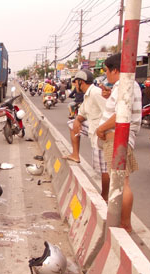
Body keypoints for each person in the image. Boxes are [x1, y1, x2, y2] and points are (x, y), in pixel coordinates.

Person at [95, 53, 141, 233]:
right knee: (120, 180)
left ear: (115, 70)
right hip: (118, 136)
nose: (106, 74)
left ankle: (125, 223)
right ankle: (123, 221)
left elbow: (121, 114)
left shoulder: (125, 85)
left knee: (122, 182)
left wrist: (101, 128)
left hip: (116, 137)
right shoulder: (126, 85)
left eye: (107, 70)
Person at [62, 69, 109, 200]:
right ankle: (75, 154)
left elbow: (109, 112)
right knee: (72, 124)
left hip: (101, 132)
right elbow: (82, 112)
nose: (74, 86)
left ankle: (105, 196)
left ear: (81, 82)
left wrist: (102, 130)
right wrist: (77, 120)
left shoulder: (96, 93)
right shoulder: (87, 95)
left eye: (76, 83)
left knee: (104, 168)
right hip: (93, 128)